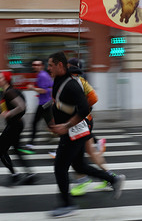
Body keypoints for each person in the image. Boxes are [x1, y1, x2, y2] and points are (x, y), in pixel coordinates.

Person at [46, 52, 125, 218]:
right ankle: (113, 180)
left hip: (73, 132)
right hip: (73, 131)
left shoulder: (71, 84)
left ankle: (67, 205)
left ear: (60, 65)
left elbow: (84, 109)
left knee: (60, 168)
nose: (48, 69)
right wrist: (55, 120)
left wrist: (66, 125)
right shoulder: (60, 81)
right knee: (80, 166)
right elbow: (60, 104)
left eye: (51, 65)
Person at [66, 58, 112, 197]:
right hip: (84, 121)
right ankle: (109, 177)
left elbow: (93, 99)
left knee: (75, 155)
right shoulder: (78, 79)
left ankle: (82, 180)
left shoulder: (78, 81)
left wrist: (81, 110)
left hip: (81, 122)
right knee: (91, 152)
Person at [0, 71, 37, 186]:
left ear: (6, 79)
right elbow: (4, 111)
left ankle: (14, 174)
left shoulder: (9, 92)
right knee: (15, 149)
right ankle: (29, 174)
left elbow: (21, 106)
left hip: (14, 125)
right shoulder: (5, 92)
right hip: (15, 124)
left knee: (0, 149)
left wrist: (9, 114)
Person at [25, 60, 53, 150]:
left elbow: (44, 90)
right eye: (34, 65)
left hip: (44, 104)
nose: (35, 66)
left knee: (35, 123)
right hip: (46, 102)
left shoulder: (42, 75)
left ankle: (31, 143)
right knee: (50, 125)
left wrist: (32, 88)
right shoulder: (43, 74)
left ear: (42, 66)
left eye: (37, 65)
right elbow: (49, 88)